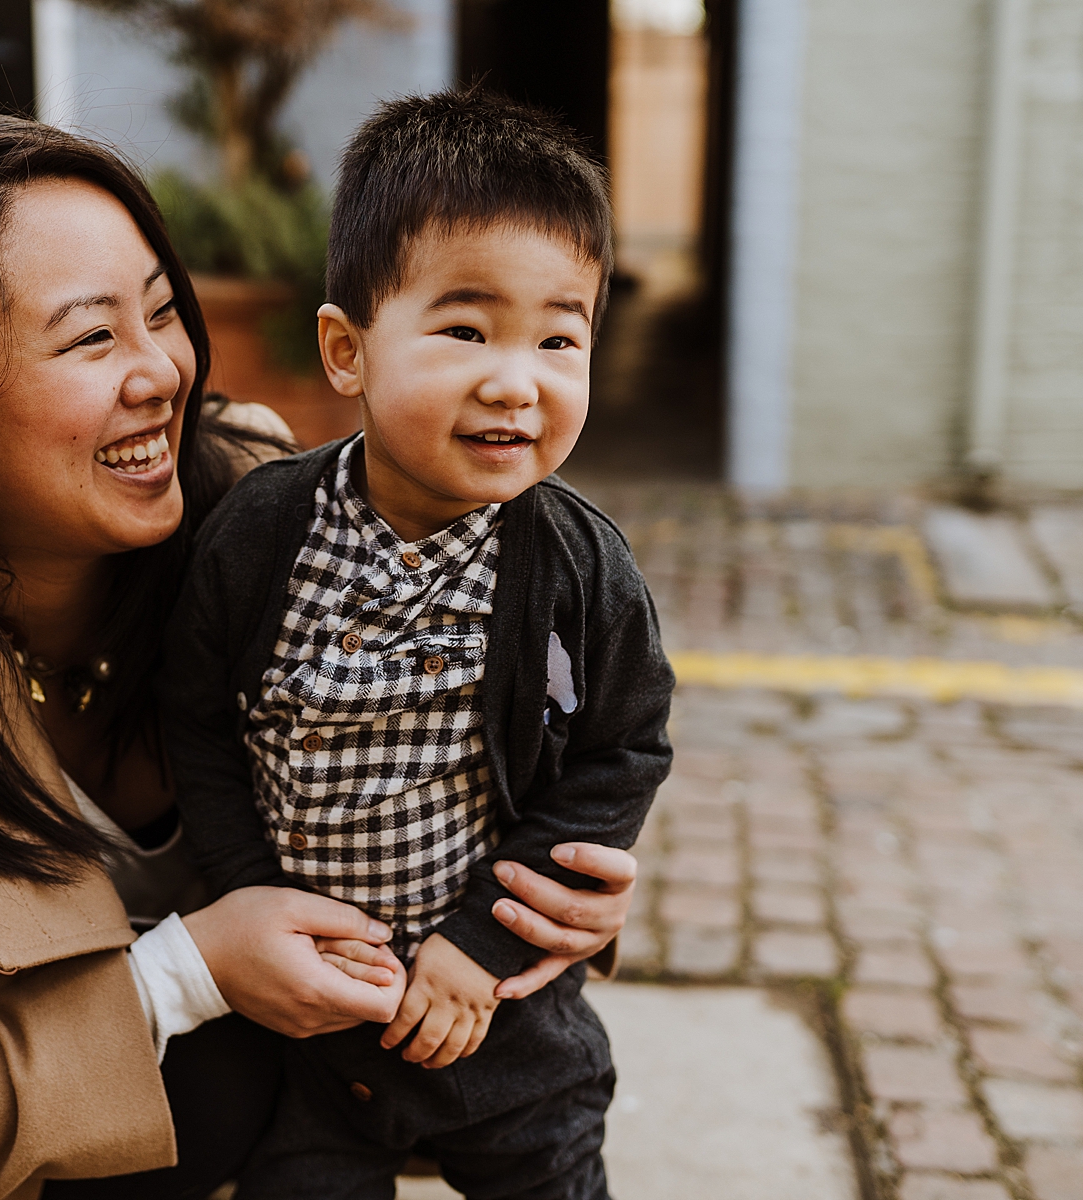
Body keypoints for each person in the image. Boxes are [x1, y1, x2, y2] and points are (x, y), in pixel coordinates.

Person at [0, 110, 640, 1200]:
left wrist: (541, 899)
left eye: (162, 312)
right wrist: (180, 976)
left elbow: (465, 746)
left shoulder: (263, 519)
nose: (163, 371)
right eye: (90, 338)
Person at [160, 92, 677, 1200]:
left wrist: (485, 945)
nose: (516, 379)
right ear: (347, 351)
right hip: (313, 1030)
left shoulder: (580, 568)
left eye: (559, 337)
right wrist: (256, 896)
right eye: (464, 328)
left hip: (507, 1032)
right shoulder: (261, 535)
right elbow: (197, 721)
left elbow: (621, 755)